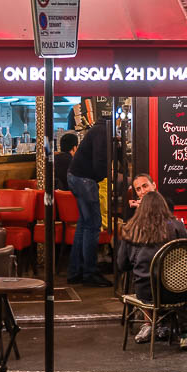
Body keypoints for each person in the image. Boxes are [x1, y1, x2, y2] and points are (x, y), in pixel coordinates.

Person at [115, 190, 187, 349]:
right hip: (175, 290)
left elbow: (122, 265)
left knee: (144, 280)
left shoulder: (130, 229)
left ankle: (151, 325)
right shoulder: (177, 227)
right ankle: (185, 334)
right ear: (164, 207)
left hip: (146, 292)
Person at [65, 115, 111, 287]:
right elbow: (99, 160)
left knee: (84, 225)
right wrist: (106, 175)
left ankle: (75, 272)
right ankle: (89, 274)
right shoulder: (102, 130)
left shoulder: (98, 129)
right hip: (84, 179)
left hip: (76, 177)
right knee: (93, 225)